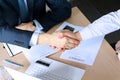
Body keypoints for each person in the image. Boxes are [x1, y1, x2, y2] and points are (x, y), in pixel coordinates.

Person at [0, 0, 80, 50]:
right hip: (11, 41)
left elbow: (64, 8)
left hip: (42, 32)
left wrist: (35, 24)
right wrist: (49, 39)